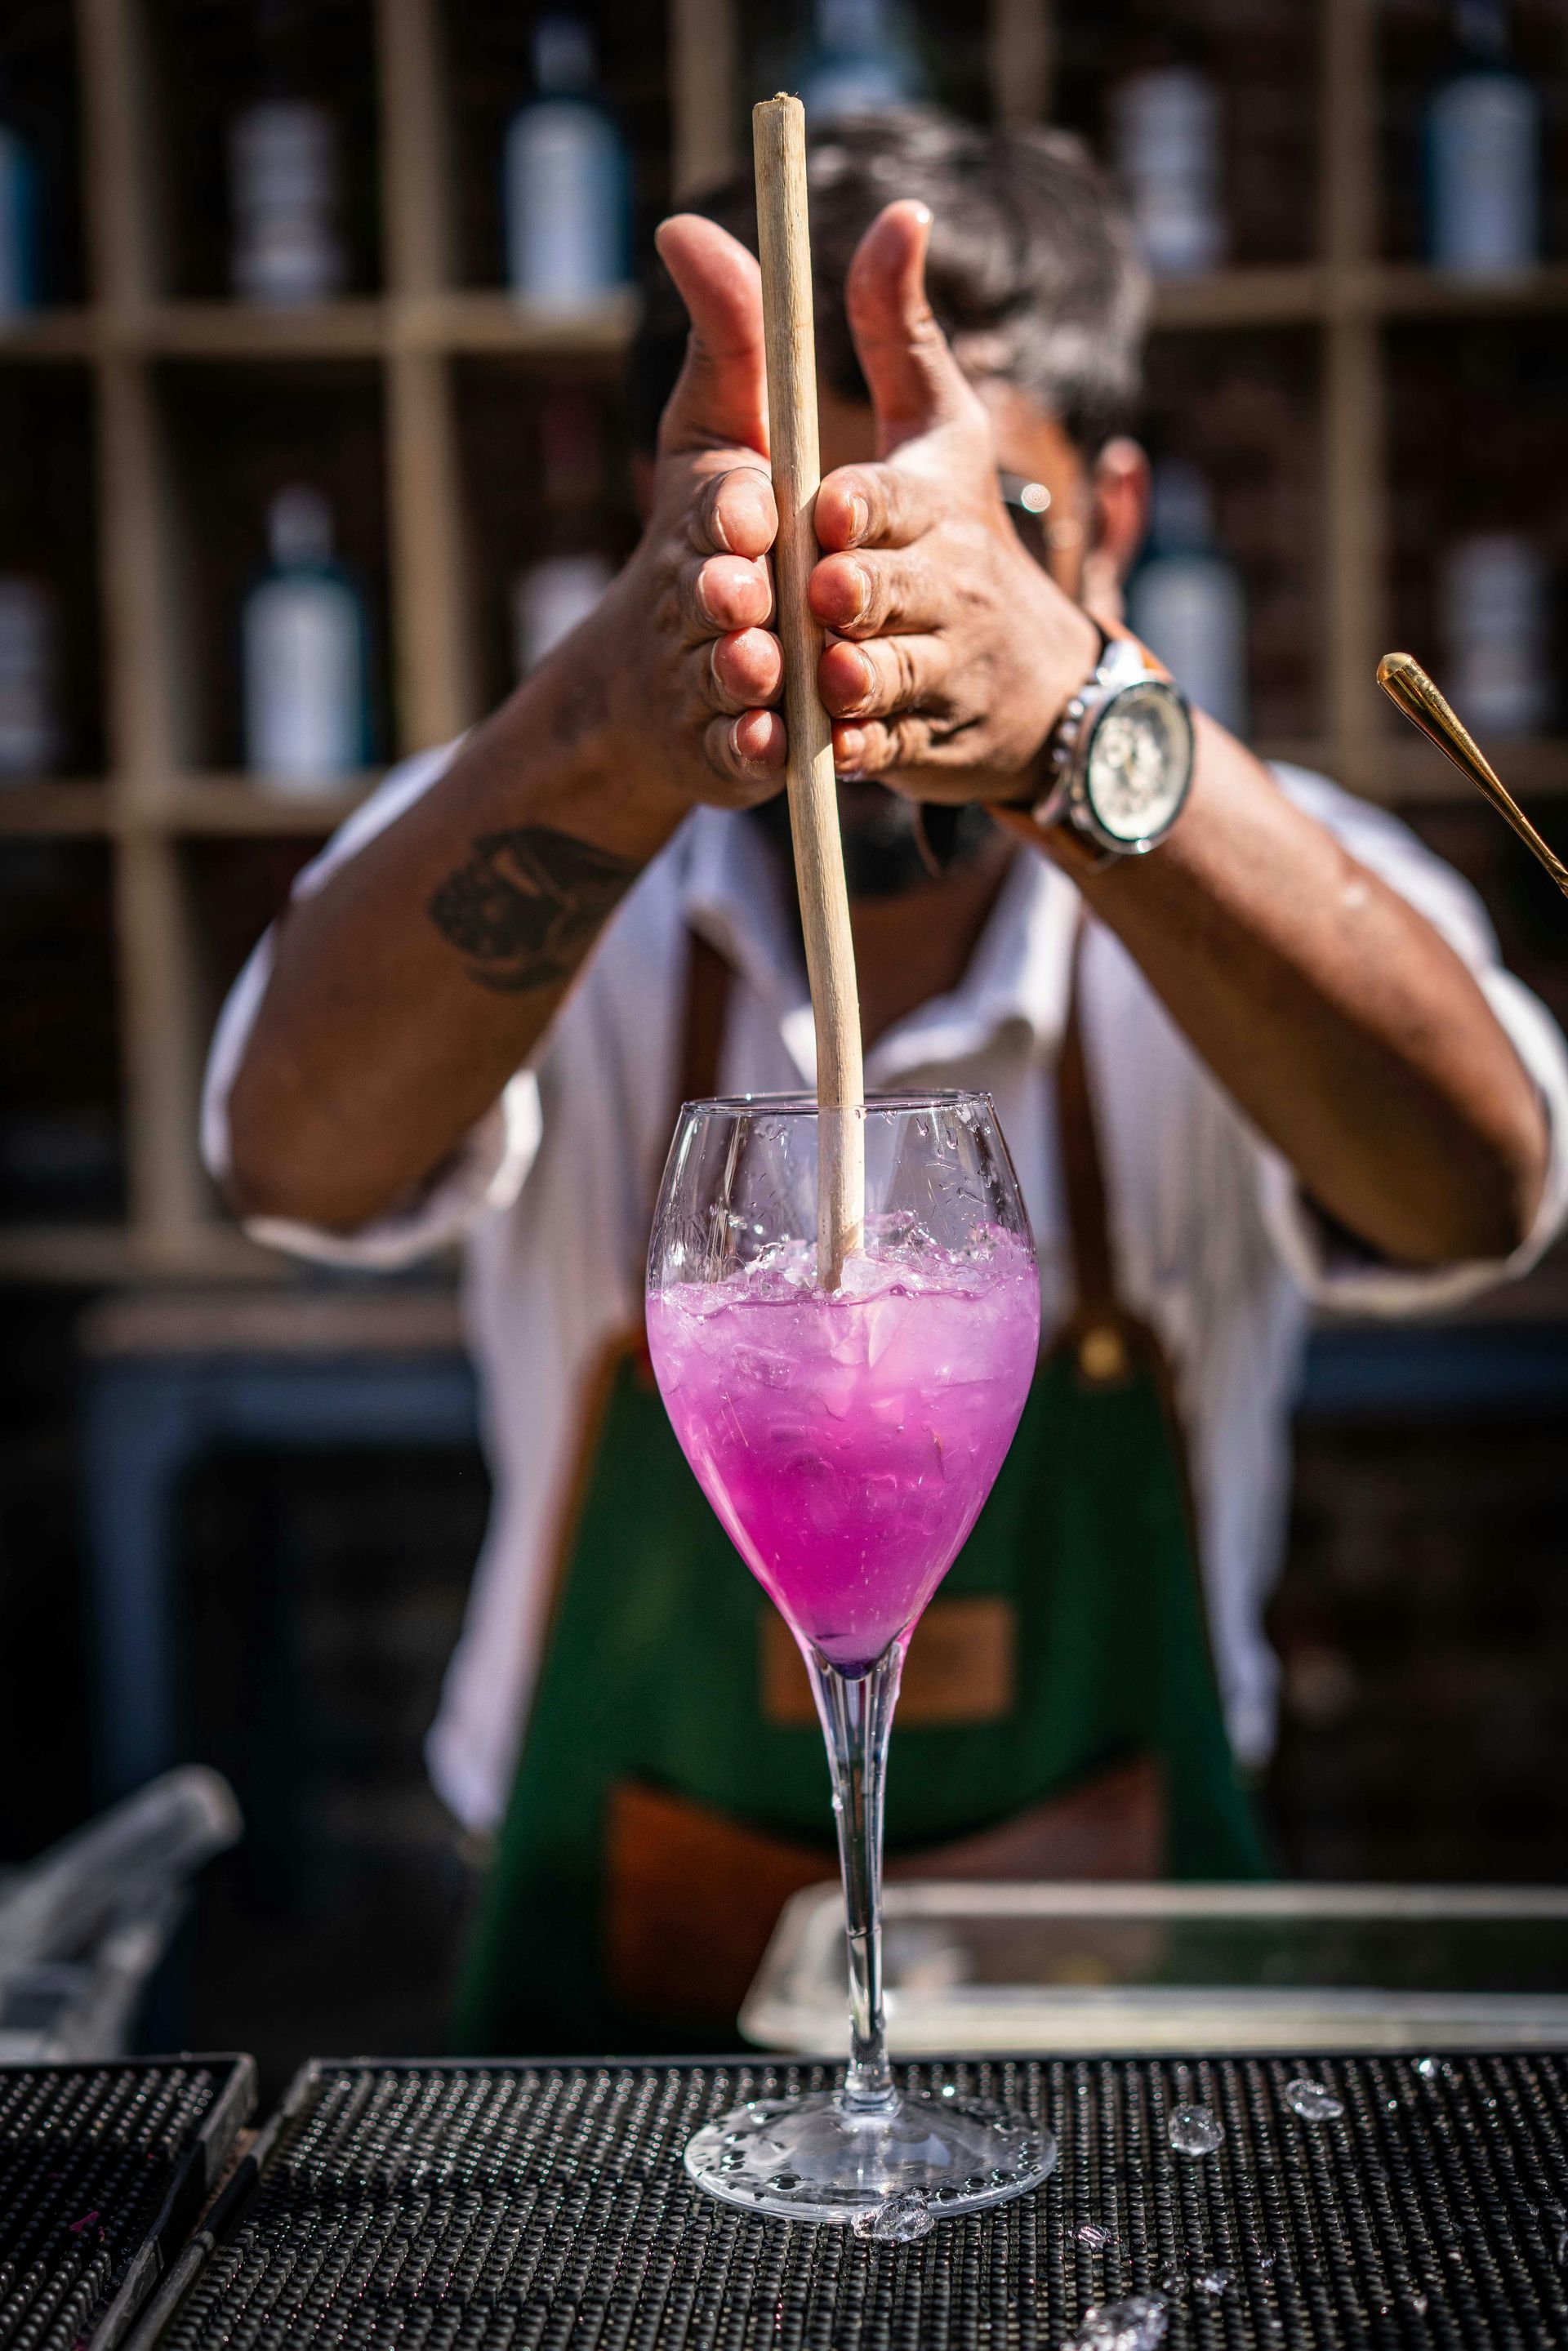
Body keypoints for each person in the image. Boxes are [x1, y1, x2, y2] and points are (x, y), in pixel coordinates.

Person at [204, 112, 1568, 2053]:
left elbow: (1485, 1187)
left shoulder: (1256, 868)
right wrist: (609, 714)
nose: (866, 631)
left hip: (1138, 1982)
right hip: (612, 1988)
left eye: (977, 533)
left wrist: (1082, 727)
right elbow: (291, 1161)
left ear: (1109, 511)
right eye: (800, 539)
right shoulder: (551, 833)